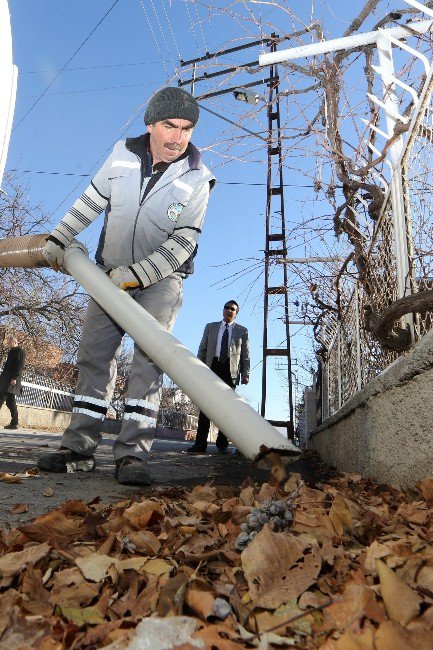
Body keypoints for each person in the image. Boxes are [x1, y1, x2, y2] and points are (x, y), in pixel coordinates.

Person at [37, 86, 215, 485]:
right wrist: (59, 237)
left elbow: (185, 241)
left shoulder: (199, 177)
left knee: (150, 361)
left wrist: (139, 275)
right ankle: (78, 447)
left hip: (162, 282)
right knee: (94, 357)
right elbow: (92, 200)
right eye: (169, 125)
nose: (177, 137)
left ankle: (132, 453)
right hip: (108, 274)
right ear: (151, 123)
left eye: (186, 129)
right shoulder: (121, 154)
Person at [188, 300, 250, 454]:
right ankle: (200, 444)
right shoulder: (211, 327)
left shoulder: (242, 331)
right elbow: (202, 348)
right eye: (227, 308)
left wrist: (246, 374)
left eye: (233, 309)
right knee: (205, 406)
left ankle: (222, 445)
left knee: (226, 409)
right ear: (223, 310)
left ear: (236, 313)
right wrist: (198, 368)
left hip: (230, 371)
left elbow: (245, 355)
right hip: (212, 368)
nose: (229, 311)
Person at [0, 334, 25, 430]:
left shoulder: (20, 351)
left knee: (1, 398)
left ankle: (15, 422)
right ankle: (14, 423)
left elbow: (20, 365)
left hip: (11, 381)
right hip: (5, 380)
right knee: (10, 403)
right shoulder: (11, 351)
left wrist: (15, 377)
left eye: (9, 341)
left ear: (14, 342)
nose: (8, 343)